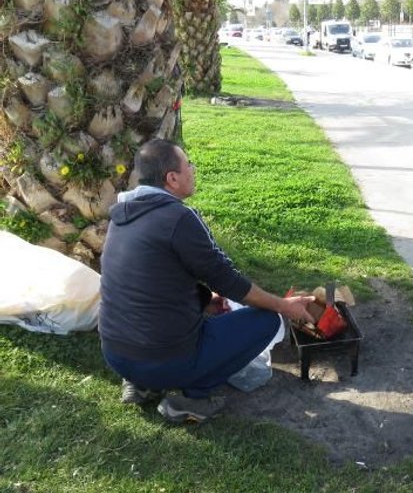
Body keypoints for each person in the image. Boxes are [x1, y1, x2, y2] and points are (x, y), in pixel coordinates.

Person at [99, 139, 315, 423]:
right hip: (162, 360)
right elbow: (229, 281)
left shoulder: (124, 213)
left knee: (187, 325)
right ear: (172, 178)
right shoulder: (179, 217)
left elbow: (157, 279)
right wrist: (284, 306)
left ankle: (141, 384)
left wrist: (204, 300)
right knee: (268, 321)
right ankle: (191, 398)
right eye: (189, 164)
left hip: (116, 354)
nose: (193, 169)